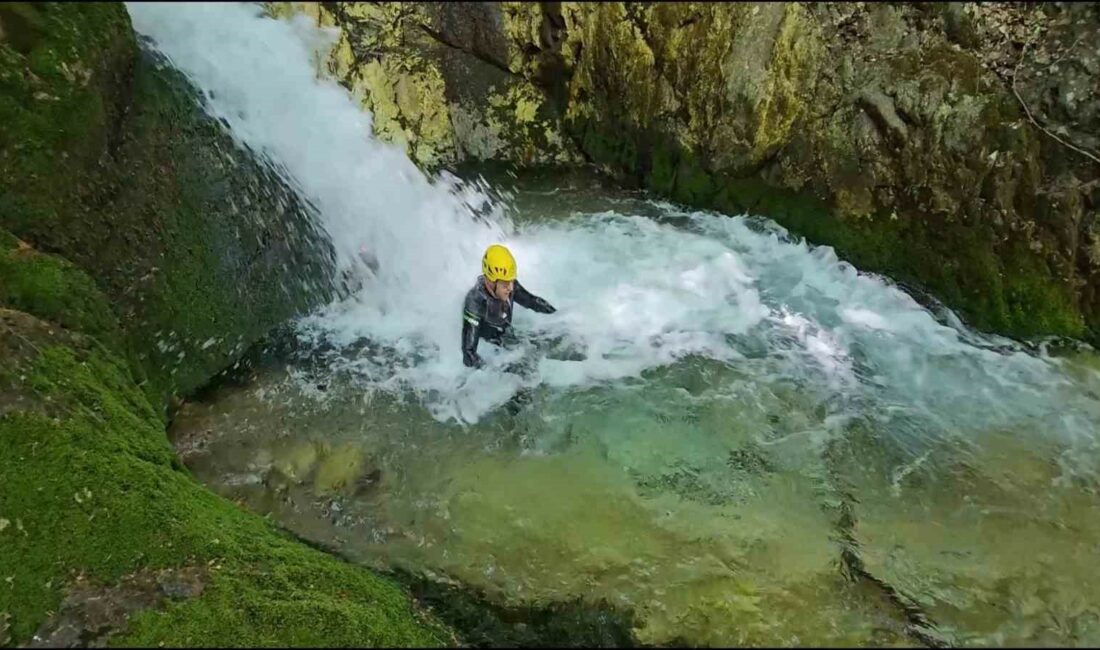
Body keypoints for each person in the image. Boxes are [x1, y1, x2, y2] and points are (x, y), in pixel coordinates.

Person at [462, 244, 556, 368]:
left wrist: (559, 316)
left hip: (507, 337)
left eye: (511, 281)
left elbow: (532, 302)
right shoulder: (475, 301)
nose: (511, 288)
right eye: (505, 284)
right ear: (490, 282)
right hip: (491, 349)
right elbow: (469, 354)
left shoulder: (508, 286)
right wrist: (495, 373)